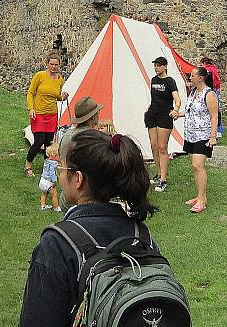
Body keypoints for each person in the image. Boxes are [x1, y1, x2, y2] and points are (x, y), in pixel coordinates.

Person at [19, 129, 162, 326]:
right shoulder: (142, 235)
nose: (60, 176)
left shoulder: (57, 245)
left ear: (78, 179)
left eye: (62, 168)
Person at [175, 66, 219, 213]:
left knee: (198, 165)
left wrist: (213, 136)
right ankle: (201, 196)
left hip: (203, 135)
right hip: (190, 134)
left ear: (201, 78)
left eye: (193, 75)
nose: (190, 77)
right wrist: (179, 114)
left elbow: (214, 116)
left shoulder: (209, 94)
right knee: (195, 166)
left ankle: (201, 201)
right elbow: (190, 111)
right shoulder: (193, 92)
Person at [25, 51, 69, 177]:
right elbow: (30, 93)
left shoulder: (60, 80)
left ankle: (47, 168)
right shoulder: (40, 76)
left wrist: (63, 97)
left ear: (59, 65)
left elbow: (56, 97)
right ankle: (28, 165)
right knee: (39, 141)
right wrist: (31, 108)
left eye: (56, 64)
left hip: (52, 115)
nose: (53, 67)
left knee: (49, 143)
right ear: (47, 64)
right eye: (51, 64)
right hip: (38, 114)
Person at [144, 56, 181, 193]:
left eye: (159, 65)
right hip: (152, 113)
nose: (156, 68)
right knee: (154, 145)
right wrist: (149, 107)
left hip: (165, 115)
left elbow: (177, 99)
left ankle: (164, 179)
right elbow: (155, 98)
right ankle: (159, 174)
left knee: (162, 147)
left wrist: (176, 110)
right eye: (155, 65)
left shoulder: (170, 81)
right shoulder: (153, 80)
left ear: (165, 66)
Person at [200, 57, 224, 138]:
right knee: (216, 110)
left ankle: (216, 131)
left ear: (204, 63)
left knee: (212, 111)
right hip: (216, 89)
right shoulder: (214, 69)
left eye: (201, 64)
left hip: (210, 91)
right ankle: (219, 131)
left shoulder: (207, 70)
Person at [39, 143, 62, 212]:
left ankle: (43, 206)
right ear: (54, 155)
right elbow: (52, 173)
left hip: (42, 181)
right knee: (55, 194)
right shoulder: (54, 164)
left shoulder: (46, 161)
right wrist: (54, 181)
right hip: (49, 182)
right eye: (59, 156)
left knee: (44, 194)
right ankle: (56, 207)